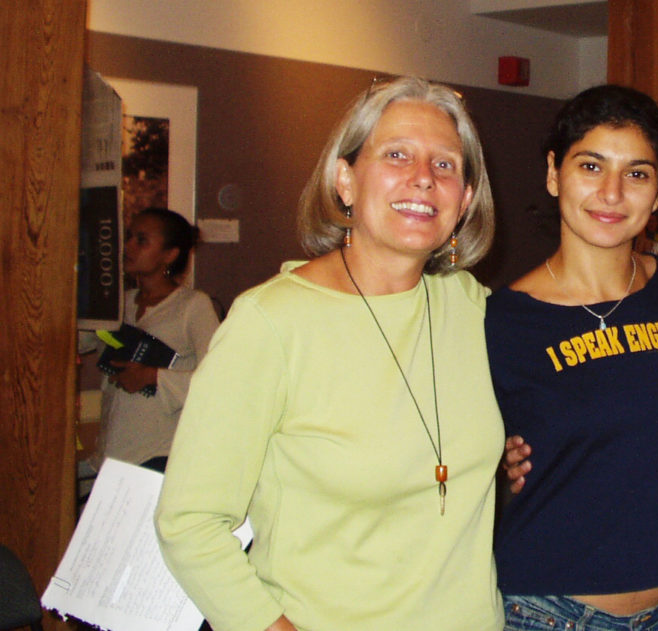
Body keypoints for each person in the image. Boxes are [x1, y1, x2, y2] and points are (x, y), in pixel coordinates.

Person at [155, 76, 505, 631]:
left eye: (445, 164)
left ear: (463, 201)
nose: (423, 177)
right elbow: (189, 523)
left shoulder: (471, 307)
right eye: (396, 155)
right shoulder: (271, 323)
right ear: (345, 181)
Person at [486, 84, 658, 630]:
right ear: (553, 173)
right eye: (591, 166)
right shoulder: (503, 321)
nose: (612, 193)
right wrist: (498, 458)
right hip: (550, 612)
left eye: (637, 173)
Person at [81, 207, 219, 474]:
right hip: (112, 453)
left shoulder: (192, 306)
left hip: (159, 456)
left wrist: (152, 376)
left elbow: (217, 380)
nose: (129, 246)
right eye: (129, 237)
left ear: (170, 255)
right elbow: (73, 343)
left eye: (142, 240)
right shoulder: (118, 304)